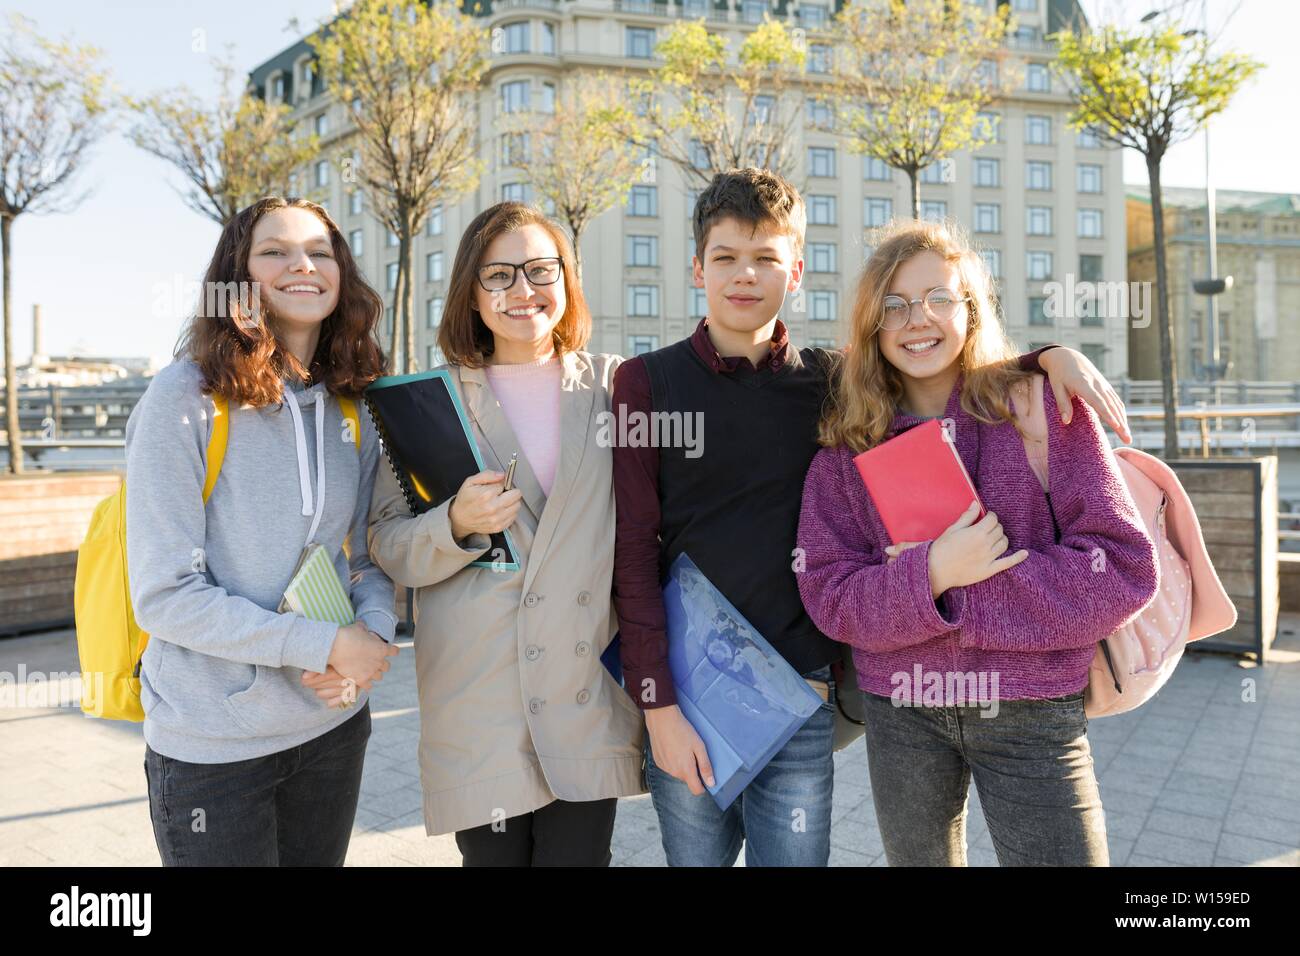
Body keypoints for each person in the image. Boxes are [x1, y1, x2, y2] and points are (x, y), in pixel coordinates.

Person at [612, 167, 1135, 867]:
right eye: (727, 258)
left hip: (885, 697)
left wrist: (1048, 358)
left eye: (767, 258)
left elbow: (1120, 563)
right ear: (697, 267)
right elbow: (643, 556)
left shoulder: (844, 389)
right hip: (750, 695)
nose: (746, 276)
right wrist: (656, 704)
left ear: (795, 270)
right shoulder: (676, 387)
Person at [795, 219, 1159, 866]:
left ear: (971, 309)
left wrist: (969, 585)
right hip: (902, 706)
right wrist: (930, 573)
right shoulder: (847, 448)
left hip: (1032, 705)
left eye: (939, 298)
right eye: (896, 305)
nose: (918, 320)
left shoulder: (1044, 410)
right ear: (873, 324)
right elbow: (828, 593)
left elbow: (1122, 568)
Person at [366, 201, 644, 867]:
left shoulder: (616, 387)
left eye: (541, 269)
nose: (524, 290)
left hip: (583, 689)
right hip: (480, 700)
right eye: (499, 275)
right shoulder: (426, 404)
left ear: (567, 280)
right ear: (472, 291)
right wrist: (454, 524)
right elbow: (386, 541)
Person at [127, 196, 399, 866]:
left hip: (332, 728)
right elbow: (164, 594)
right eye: (274, 251)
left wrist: (368, 641)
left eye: (320, 251)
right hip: (214, 749)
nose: (301, 265)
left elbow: (367, 554)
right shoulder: (182, 400)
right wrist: (320, 643)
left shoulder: (352, 402)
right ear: (238, 275)